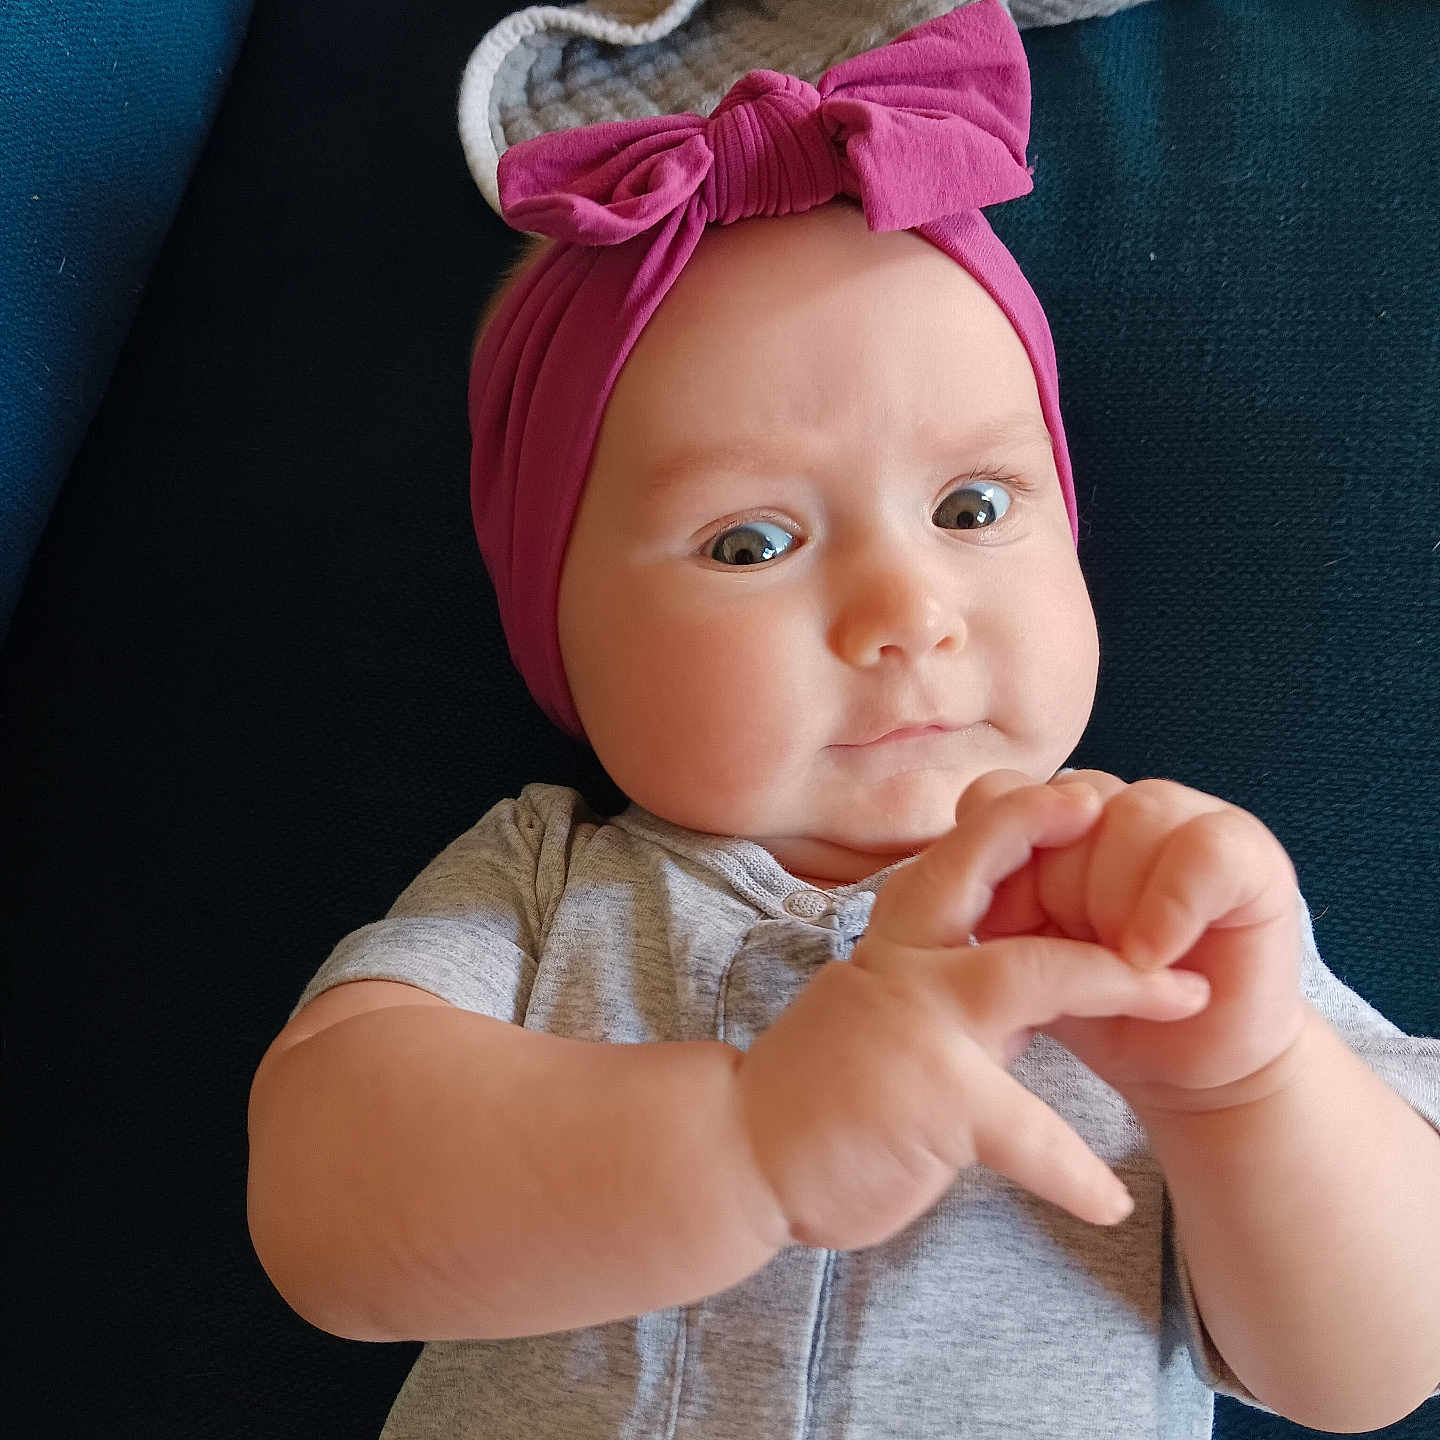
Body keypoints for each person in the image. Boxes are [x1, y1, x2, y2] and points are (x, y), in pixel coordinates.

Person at [245, 4, 1440, 1436]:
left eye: (972, 509)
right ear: (559, 630)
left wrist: (1248, 1085)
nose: (906, 609)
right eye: (750, 544)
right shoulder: (549, 886)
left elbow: (1370, 1373)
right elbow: (326, 1209)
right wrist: (748, 1144)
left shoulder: (1157, 909)